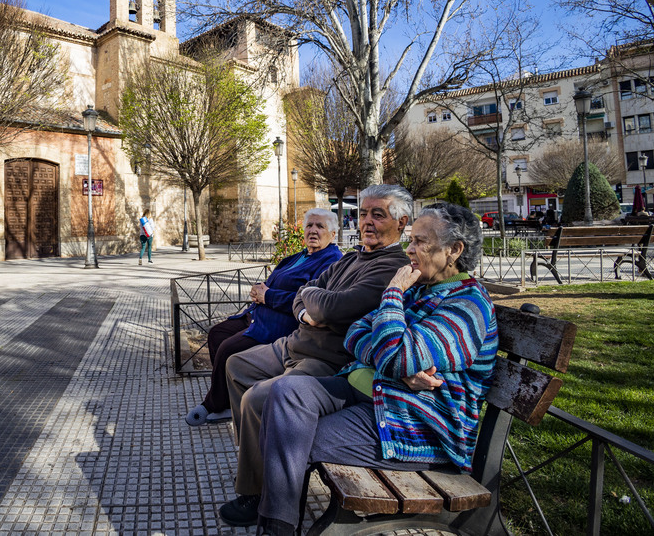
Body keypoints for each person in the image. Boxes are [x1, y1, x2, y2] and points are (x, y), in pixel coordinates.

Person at [237, 203, 498, 535]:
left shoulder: (467, 306)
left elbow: (398, 356)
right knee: (286, 391)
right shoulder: (419, 288)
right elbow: (356, 333)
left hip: (417, 423)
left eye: (420, 242)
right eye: (411, 240)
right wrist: (395, 363)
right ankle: (278, 526)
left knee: (289, 433)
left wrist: (391, 297)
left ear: (454, 251)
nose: (410, 249)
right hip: (376, 395)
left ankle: (275, 529)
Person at [219, 184, 413, 527]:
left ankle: (261, 493)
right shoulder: (353, 256)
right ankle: (256, 457)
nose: (366, 221)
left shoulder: (391, 266)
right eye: (363, 213)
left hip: (326, 359)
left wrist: (315, 302)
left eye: (377, 215)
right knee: (236, 364)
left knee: (257, 400)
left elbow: (337, 307)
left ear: (402, 222)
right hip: (295, 342)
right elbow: (301, 296)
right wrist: (309, 309)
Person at [185, 209, 344, 426]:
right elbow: (271, 282)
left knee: (229, 348)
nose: (313, 231)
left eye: (320, 226)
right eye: (309, 226)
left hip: (279, 324)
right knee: (217, 334)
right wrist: (258, 292)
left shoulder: (331, 261)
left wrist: (267, 295)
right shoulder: (299, 256)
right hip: (258, 314)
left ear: (333, 234)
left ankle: (217, 404)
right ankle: (228, 399)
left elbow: (308, 301)